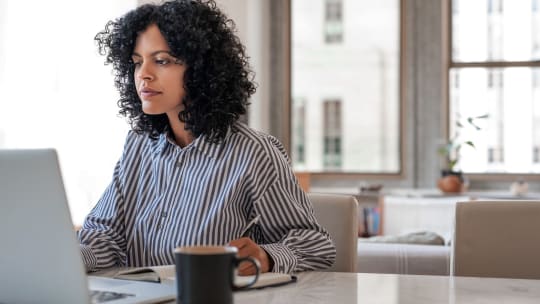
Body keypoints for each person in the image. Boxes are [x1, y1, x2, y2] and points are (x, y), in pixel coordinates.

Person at [78, 0, 335, 275]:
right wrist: (60, 255)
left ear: (202, 69)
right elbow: (104, 236)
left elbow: (316, 247)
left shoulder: (254, 152)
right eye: (137, 62)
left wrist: (266, 256)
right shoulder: (139, 145)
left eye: (162, 61)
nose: (144, 75)